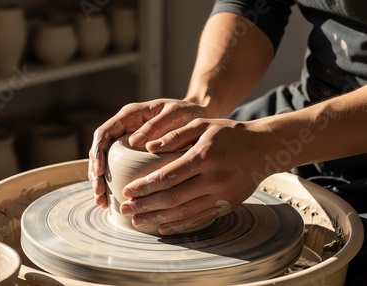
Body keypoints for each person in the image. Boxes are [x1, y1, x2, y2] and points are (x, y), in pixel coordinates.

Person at [88, 0, 367, 282]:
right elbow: (256, 6)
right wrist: (200, 102)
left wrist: (267, 146)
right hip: (315, 98)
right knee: (209, 148)